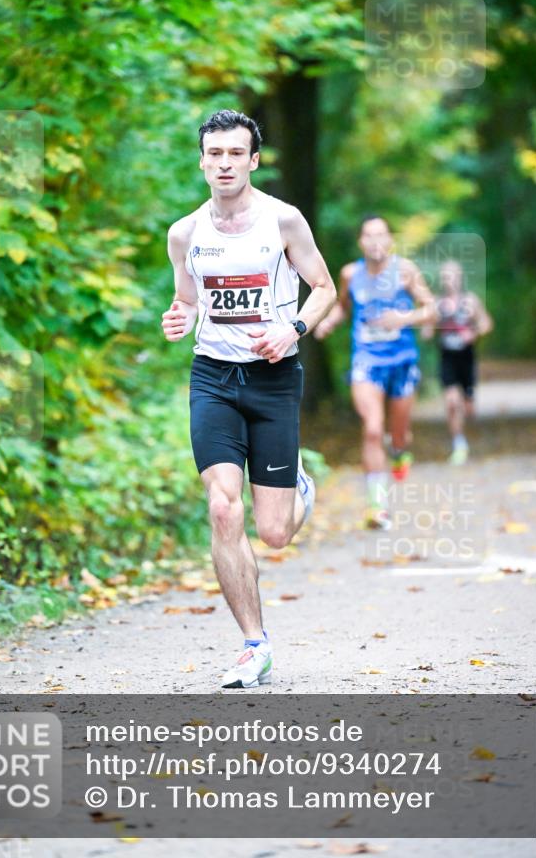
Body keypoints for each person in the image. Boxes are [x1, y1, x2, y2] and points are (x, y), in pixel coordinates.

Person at [161, 109, 336, 689]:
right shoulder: (184, 234)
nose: (225, 163)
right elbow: (186, 300)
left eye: (236, 154)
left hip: (274, 379)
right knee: (221, 506)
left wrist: (294, 330)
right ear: (202, 161)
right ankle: (254, 646)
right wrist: (178, 318)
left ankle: (297, 486)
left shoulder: (283, 222)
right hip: (213, 377)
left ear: (253, 160)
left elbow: (325, 289)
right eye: (215, 154)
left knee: (276, 533)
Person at [314, 215, 434, 530]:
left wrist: (404, 318)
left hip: (402, 360)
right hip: (366, 360)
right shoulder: (351, 274)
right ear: (361, 242)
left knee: (397, 433)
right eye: (369, 236)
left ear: (390, 241)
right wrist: (330, 321)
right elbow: (343, 306)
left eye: (381, 235)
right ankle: (377, 506)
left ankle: (399, 450)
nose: (375, 241)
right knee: (371, 428)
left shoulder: (405, 271)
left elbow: (431, 308)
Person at [424, 259, 493, 465]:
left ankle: (469, 410)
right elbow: (428, 329)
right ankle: (459, 443)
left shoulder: (470, 301)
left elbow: (487, 323)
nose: (449, 281)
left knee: (468, 406)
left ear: (460, 278)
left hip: (467, 357)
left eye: (452, 276)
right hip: (447, 358)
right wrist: (428, 329)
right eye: (445, 277)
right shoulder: (437, 303)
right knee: (452, 402)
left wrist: (474, 332)